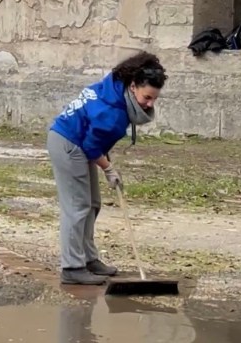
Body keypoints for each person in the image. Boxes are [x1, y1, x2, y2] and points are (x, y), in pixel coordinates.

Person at [47, 51, 166, 285]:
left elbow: (94, 140)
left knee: (91, 203)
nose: (150, 104)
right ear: (133, 87)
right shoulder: (113, 114)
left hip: (77, 142)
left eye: (154, 99)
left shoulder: (116, 85)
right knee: (77, 207)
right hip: (68, 144)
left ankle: (89, 259)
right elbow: (92, 147)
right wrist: (109, 169)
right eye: (147, 97)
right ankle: (72, 267)